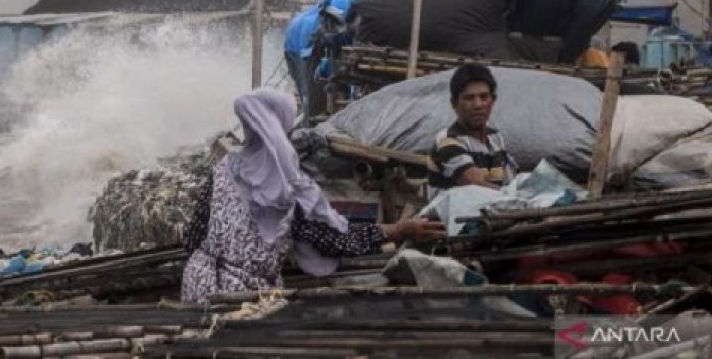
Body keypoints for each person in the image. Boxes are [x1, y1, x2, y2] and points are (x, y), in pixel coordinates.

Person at [181, 88, 445, 303]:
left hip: (197, 285)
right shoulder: (288, 186)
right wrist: (398, 230)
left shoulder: (223, 169)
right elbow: (333, 240)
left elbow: (193, 237)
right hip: (242, 298)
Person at [427, 63, 518, 198]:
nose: (478, 105)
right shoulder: (447, 140)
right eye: (469, 98)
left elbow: (511, 182)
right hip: (451, 217)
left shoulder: (496, 138)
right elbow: (475, 185)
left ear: (493, 101)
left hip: (491, 213)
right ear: (454, 104)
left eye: (484, 97)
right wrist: (518, 198)